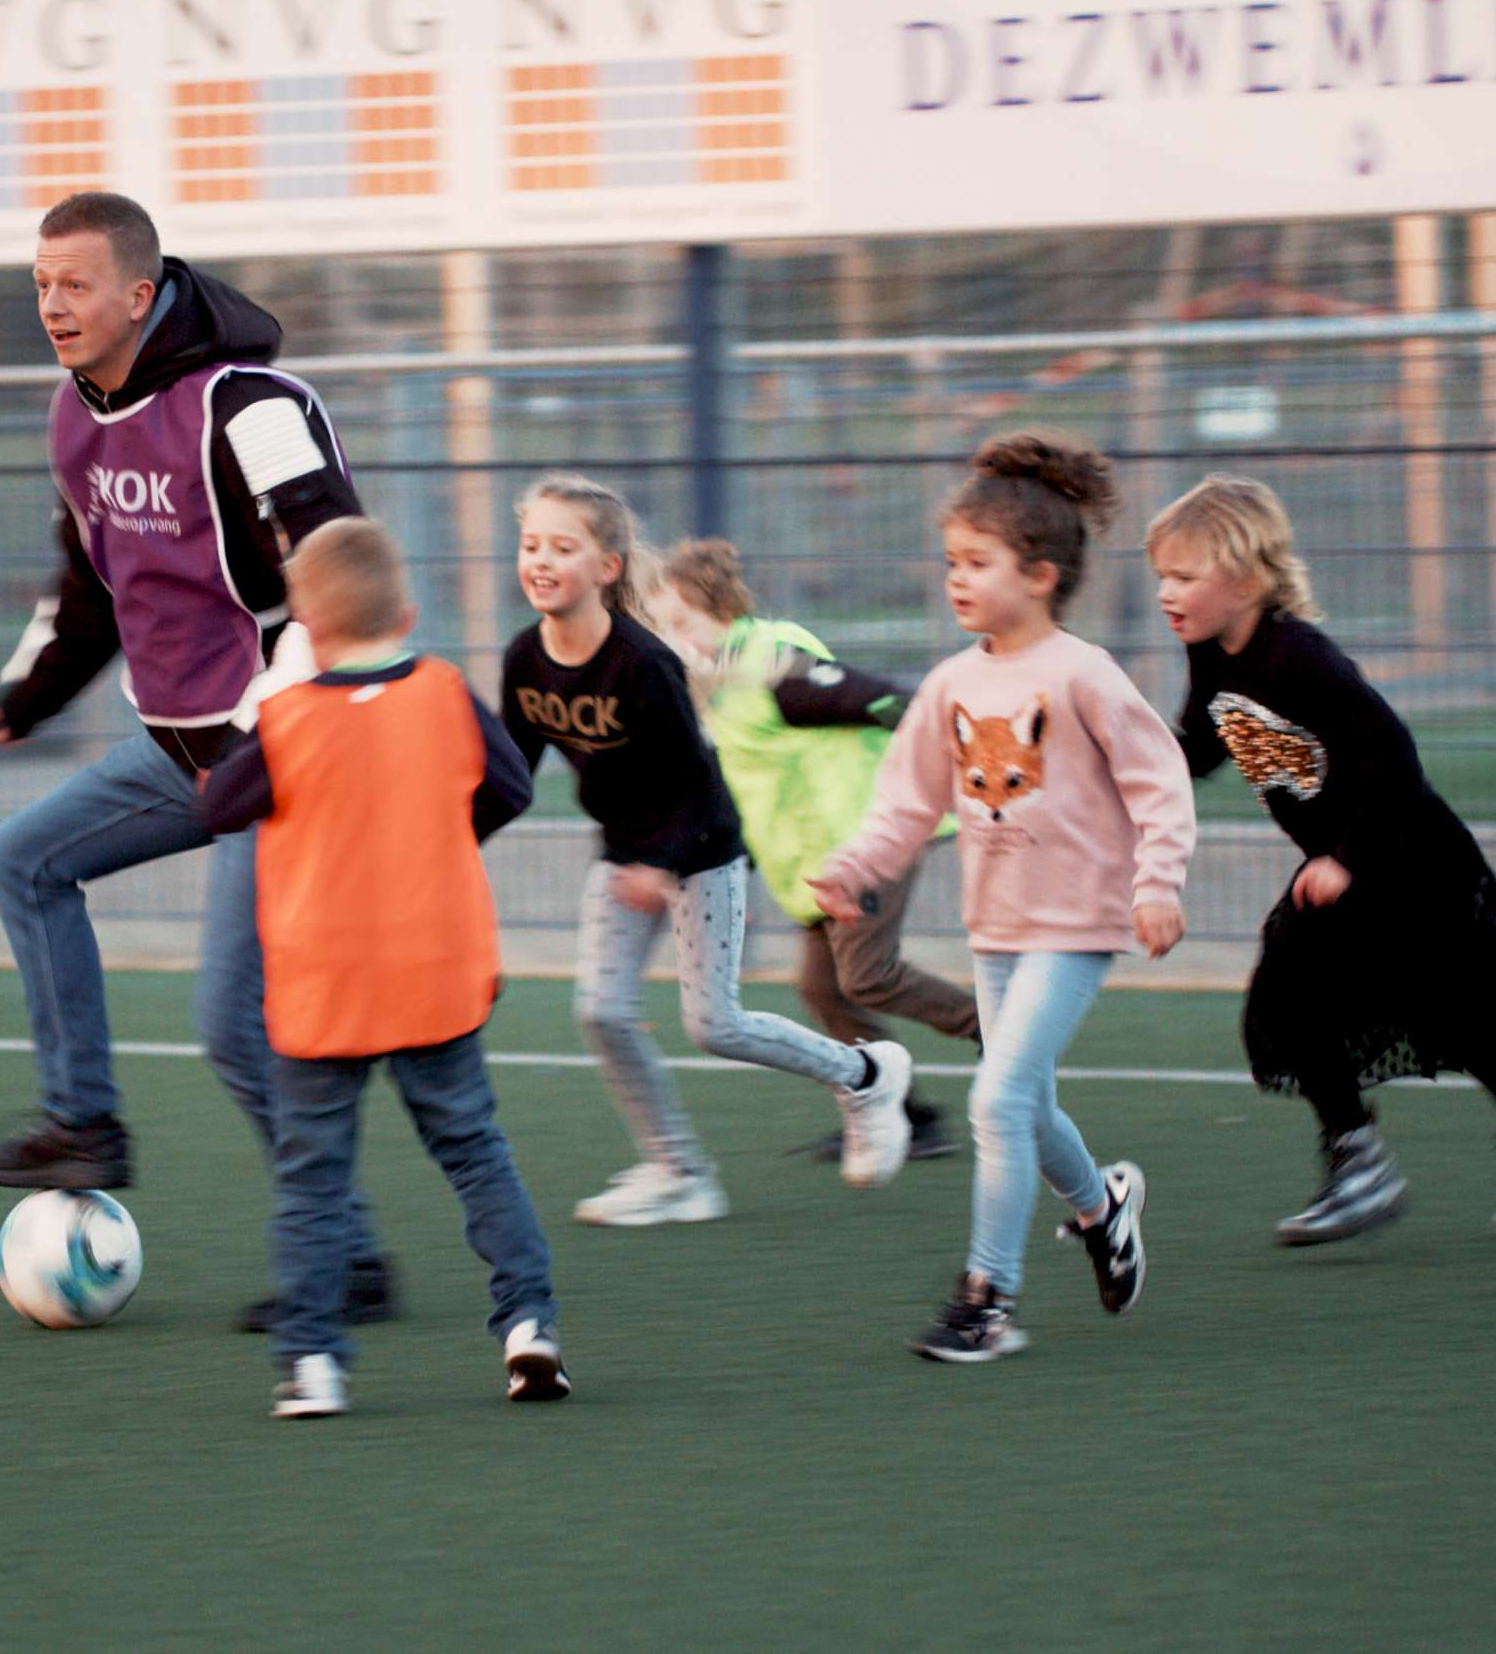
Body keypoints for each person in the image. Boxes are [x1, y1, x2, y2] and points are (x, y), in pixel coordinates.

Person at [0, 190, 394, 1323]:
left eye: (76, 283)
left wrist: (270, 735)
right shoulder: (73, 417)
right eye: (41, 284)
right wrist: (27, 696)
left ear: (139, 294)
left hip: (281, 756)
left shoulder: (250, 408)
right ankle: (83, 1124)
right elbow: (88, 588)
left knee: (235, 1023)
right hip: (179, 751)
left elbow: (336, 587)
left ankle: (347, 1258)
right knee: (24, 860)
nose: (53, 304)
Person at [1146, 473, 1496, 1246]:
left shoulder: (1298, 656)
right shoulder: (1211, 654)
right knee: (1434, 1009)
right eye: (1162, 574)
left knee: (1323, 991)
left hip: (1406, 855)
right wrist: (1120, 762)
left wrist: (1345, 858)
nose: (1167, 591)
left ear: (1246, 579)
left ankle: (1361, 1162)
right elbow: (1197, 747)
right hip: (1353, 866)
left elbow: (1392, 756)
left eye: (1184, 576)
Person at [811, 432, 1192, 1363]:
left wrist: (1157, 883)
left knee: (998, 1098)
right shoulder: (951, 683)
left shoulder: (1083, 673)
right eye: (951, 561)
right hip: (998, 931)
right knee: (1027, 1103)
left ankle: (988, 1296)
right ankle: (1103, 1208)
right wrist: (854, 868)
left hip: (1078, 927)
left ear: (1041, 575)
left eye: (977, 562)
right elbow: (905, 806)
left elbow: (1160, 783)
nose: (956, 578)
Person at [202, 519, 565, 1416]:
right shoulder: (445, 692)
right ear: (405, 614)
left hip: (325, 986)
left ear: (306, 628)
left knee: (313, 1180)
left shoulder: (285, 719)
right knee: (475, 1151)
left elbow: (219, 805)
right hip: (436, 971)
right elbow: (512, 786)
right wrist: (438, 835)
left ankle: (313, 1361)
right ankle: (529, 1323)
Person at [500, 472, 914, 1226]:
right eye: (531, 545)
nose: (542, 560)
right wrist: (449, 832)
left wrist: (658, 863)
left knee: (714, 1024)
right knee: (601, 1011)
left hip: (702, 850)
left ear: (607, 567)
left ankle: (864, 1075)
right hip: (626, 854)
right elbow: (509, 774)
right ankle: (680, 1173)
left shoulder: (642, 662)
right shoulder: (525, 659)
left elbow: (693, 785)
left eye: (563, 547)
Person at [644, 537, 978, 1164]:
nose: (672, 641)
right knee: (823, 989)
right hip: (816, 865)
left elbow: (883, 699)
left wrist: (961, 758)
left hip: (865, 841)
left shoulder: (769, 665)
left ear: (720, 612)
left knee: (867, 975)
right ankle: (908, 1117)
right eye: (662, 630)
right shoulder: (715, 689)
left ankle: (997, 1029)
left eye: (680, 624)